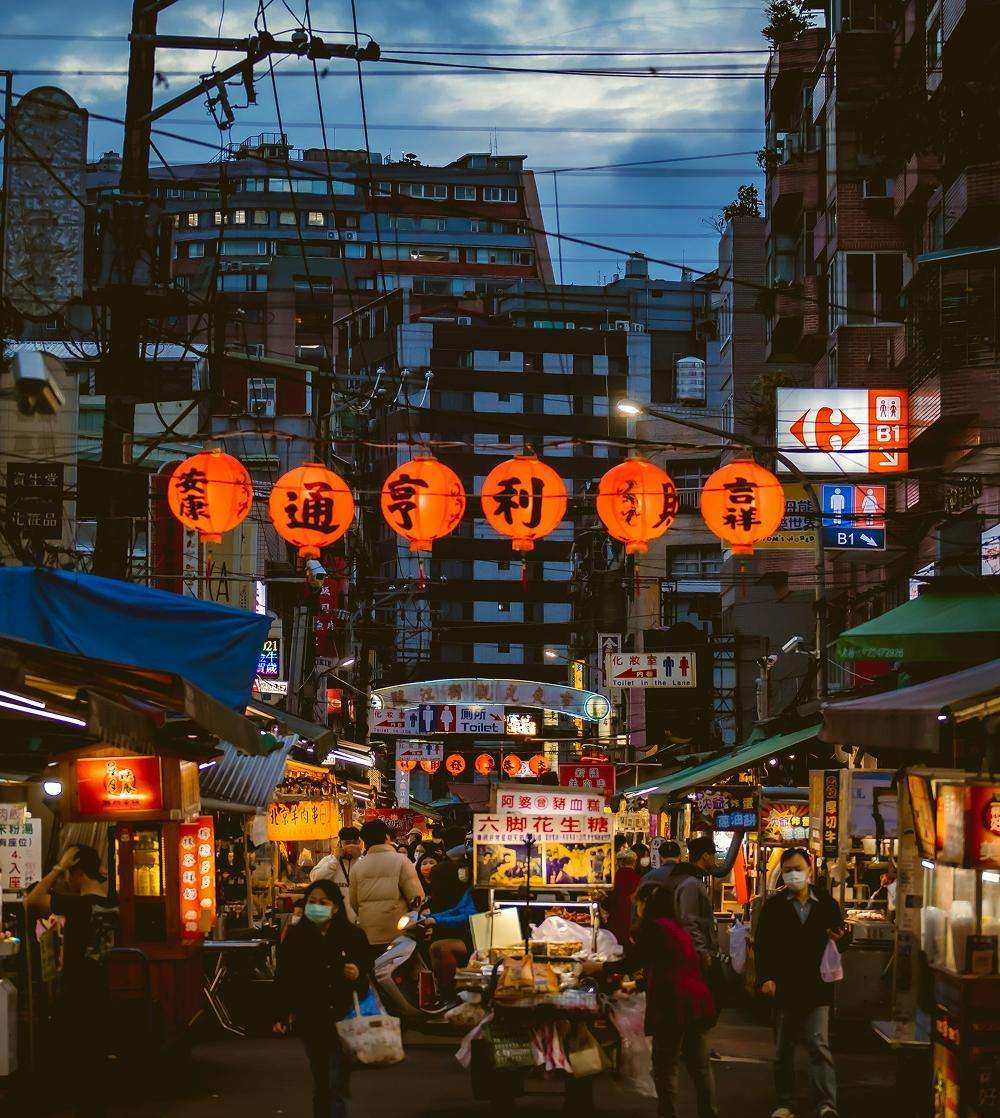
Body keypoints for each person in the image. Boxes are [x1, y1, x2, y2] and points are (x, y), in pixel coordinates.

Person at [27, 844, 118, 1117]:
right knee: (94, 1065)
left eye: (69, 872)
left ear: (76, 870)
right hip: (101, 993)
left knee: (76, 1066)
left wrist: (57, 868)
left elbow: (31, 902)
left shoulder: (77, 905)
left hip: (77, 994)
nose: (66, 879)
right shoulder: (110, 903)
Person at [756, 847, 845, 1118]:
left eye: (798, 868)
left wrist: (840, 937)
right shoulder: (774, 906)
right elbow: (763, 945)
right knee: (784, 1048)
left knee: (819, 1046)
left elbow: (841, 937)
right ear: (781, 874)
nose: (793, 874)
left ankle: (826, 1104)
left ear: (809, 869)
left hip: (817, 987)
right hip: (785, 986)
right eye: (787, 870)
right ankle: (785, 1102)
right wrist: (766, 978)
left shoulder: (827, 903)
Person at [273, 879, 370, 1118]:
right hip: (311, 1018)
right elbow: (284, 977)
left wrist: (357, 974)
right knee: (321, 1081)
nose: (316, 907)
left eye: (323, 902)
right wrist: (280, 1013)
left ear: (335, 907)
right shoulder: (297, 936)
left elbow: (368, 975)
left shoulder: (353, 936)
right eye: (311, 902)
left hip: (342, 1017)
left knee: (336, 1081)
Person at [634, 883, 719, 1118]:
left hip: (673, 1005)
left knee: (665, 1065)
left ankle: (668, 1114)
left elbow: (635, 960)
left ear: (647, 903)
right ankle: (709, 1113)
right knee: (700, 1067)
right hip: (695, 1002)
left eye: (639, 904)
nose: (637, 909)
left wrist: (599, 967)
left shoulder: (655, 928)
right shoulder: (676, 927)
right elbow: (671, 964)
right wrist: (639, 984)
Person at [350, 819, 424, 952]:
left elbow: (354, 903)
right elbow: (416, 898)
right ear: (387, 837)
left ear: (365, 841)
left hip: (368, 935)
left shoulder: (358, 867)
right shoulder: (402, 861)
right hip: (398, 936)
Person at [310, 826, 363, 922]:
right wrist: (335, 860)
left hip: (358, 920)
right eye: (347, 843)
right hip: (334, 918)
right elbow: (315, 879)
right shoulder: (329, 860)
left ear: (359, 843)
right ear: (339, 844)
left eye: (354, 843)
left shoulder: (363, 862)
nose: (351, 846)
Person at [606, 849, 643, 946]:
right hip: (632, 918)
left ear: (619, 862)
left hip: (615, 919)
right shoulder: (638, 879)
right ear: (634, 863)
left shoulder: (613, 878)